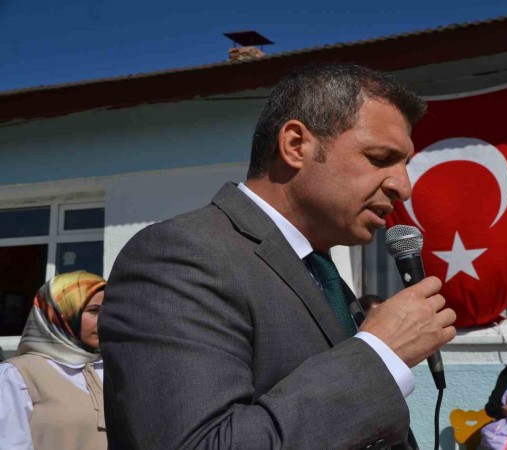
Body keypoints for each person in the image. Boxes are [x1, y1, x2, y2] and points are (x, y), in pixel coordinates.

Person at [99, 63, 457, 450]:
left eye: (405, 165)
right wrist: (379, 355)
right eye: (380, 158)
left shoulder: (317, 272)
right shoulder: (180, 256)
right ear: (296, 146)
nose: (403, 186)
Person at [0, 271, 107, 450]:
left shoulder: (115, 368)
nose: (105, 320)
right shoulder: (18, 375)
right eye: (94, 311)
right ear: (60, 314)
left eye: (109, 311)